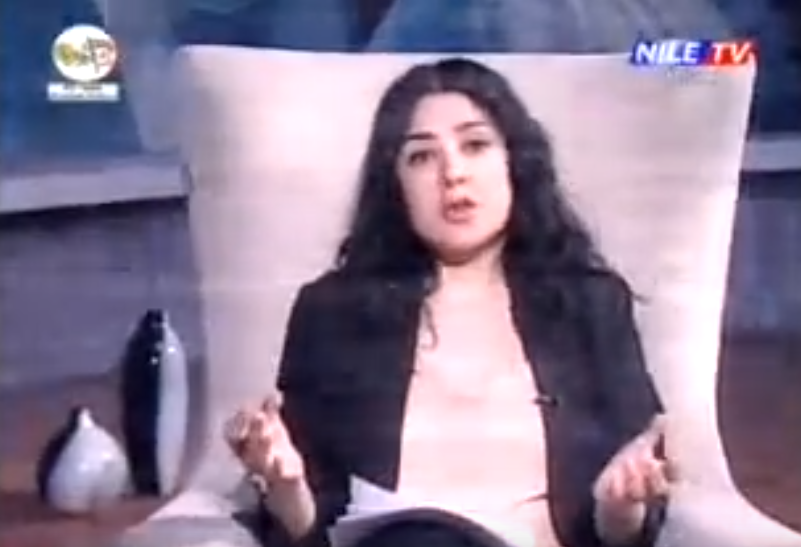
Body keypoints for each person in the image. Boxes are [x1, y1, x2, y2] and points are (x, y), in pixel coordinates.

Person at [224, 57, 676, 547]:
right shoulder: (332, 313)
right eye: (421, 157)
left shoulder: (590, 306)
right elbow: (310, 530)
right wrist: (286, 486)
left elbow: (627, 525)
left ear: (515, 162)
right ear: (395, 185)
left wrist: (620, 505)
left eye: (475, 145)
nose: (453, 173)